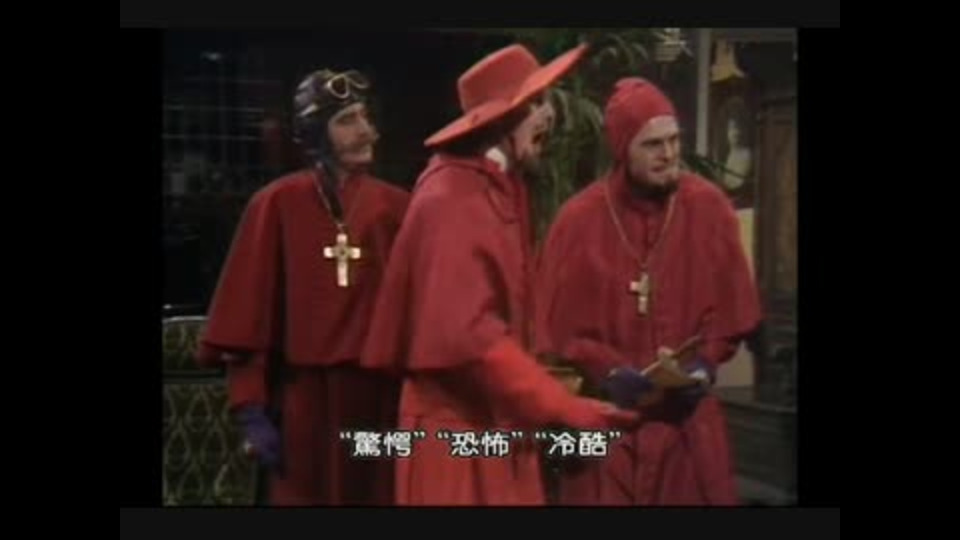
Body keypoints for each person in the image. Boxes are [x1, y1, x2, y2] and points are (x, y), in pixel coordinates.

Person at [360, 43, 640, 506]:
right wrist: (562, 407)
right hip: (457, 440)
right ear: (500, 119)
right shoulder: (453, 197)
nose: (550, 114)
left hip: (497, 428)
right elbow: (470, 337)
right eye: (535, 102)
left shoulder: (497, 187)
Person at [534, 78, 762, 505]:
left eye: (674, 140)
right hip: (607, 433)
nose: (669, 154)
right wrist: (606, 371)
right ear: (623, 149)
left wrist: (703, 366)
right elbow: (556, 331)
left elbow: (731, 314)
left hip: (687, 434)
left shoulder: (708, 207)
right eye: (653, 144)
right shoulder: (578, 220)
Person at [195, 68, 410, 506]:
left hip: (384, 403)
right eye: (347, 120)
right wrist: (251, 407)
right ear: (316, 133)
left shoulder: (398, 207)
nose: (366, 131)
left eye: (365, 117)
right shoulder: (275, 204)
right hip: (304, 408)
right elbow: (247, 320)